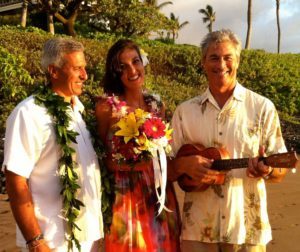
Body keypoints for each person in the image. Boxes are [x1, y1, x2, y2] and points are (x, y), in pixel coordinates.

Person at [168, 29, 288, 252]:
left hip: (246, 230)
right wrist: (184, 165)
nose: (221, 64)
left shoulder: (262, 108)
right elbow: (165, 169)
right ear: (203, 62)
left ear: (238, 61)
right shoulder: (185, 112)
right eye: (213, 57)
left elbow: (280, 170)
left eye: (227, 57)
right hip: (197, 231)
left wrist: (268, 171)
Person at [2, 38, 103, 251]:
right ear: (53, 71)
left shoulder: (79, 111)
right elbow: (15, 180)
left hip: (88, 238)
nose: (85, 75)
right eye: (77, 69)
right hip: (52, 241)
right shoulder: (29, 113)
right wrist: (36, 241)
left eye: (84, 68)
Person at [95, 39, 181, 251]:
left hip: (158, 191)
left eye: (136, 61)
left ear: (143, 63)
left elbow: (165, 149)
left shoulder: (156, 105)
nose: (132, 70)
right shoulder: (107, 108)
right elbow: (98, 157)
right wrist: (131, 165)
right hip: (123, 194)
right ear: (115, 73)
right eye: (122, 67)